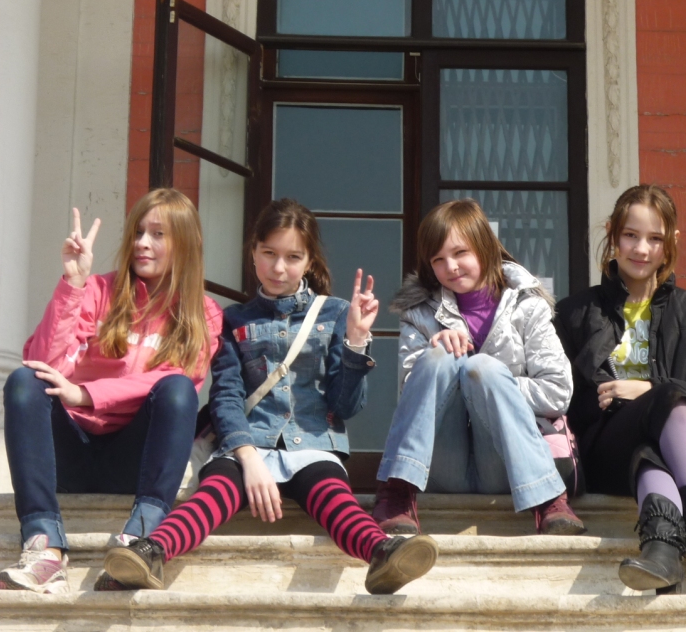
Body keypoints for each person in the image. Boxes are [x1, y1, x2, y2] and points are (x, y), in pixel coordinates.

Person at [103, 199, 437, 594]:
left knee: (336, 499)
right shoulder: (233, 319)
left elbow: (346, 405)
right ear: (253, 253)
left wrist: (356, 340)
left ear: (309, 261)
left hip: (313, 444)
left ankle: (381, 552)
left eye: (293, 257)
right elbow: (226, 397)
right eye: (269, 253)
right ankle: (151, 552)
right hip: (246, 445)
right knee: (212, 494)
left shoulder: (335, 313)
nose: (279, 267)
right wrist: (248, 458)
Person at [0, 189, 223, 594]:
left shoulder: (203, 313)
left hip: (135, 462)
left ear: (185, 243)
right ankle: (44, 547)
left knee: (177, 391)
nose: (142, 243)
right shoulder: (98, 291)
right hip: (70, 454)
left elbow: (179, 379)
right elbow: (44, 364)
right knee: (23, 381)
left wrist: (86, 394)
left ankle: (141, 540)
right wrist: (73, 283)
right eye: (138, 232)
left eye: (158, 234)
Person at [554, 185, 686, 594]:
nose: (641, 249)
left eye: (655, 238)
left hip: (679, 447)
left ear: (671, 243)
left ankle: (662, 552)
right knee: (664, 406)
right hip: (605, 448)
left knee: (654, 442)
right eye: (631, 235)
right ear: (613, 234)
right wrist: (620, 399)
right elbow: (562, 398)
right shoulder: (574, 314)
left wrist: (650, 390)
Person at [371, 199, 584, 536]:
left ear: (485, 247)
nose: (451, 267)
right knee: (440, 355)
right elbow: (411, 399)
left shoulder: (527, 305)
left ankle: (548, 500)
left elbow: (558, 392)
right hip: (442, 464)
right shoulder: (418, 313)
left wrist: (486, 380)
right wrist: (438, 352)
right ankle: (397, 491)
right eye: (438, 259)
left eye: (460, 253)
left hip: (509, 463)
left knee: (483, 368)